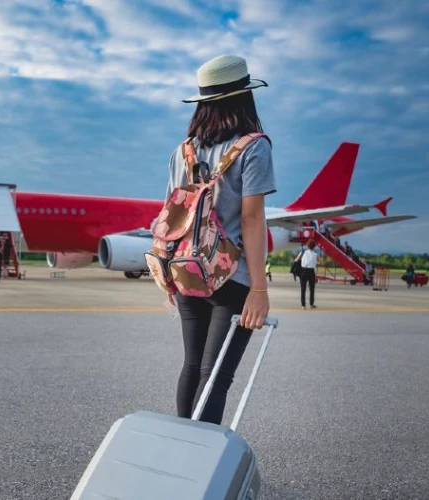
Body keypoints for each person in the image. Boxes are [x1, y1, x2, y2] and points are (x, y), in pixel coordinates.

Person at [165, 54, 275, 425]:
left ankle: (182, 454)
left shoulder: (183, 151)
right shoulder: (253, 146)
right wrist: (258, 289)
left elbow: (173, 215)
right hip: (231, 276)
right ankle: (200, 465)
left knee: (193, 366)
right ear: (245, 97)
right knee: (216, 376)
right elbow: (251, 217)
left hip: (187, 271)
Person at [295, 238, 319, 310]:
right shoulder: (315, 254)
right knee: (312, 289)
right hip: (311, 272)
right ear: (314, 246)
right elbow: (320, 262)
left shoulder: (303, 252)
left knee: (303, 289)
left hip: (304, 271)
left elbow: (295, 260)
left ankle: (303, 305)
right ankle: (311, 304)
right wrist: (314, 262)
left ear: (307, 245)